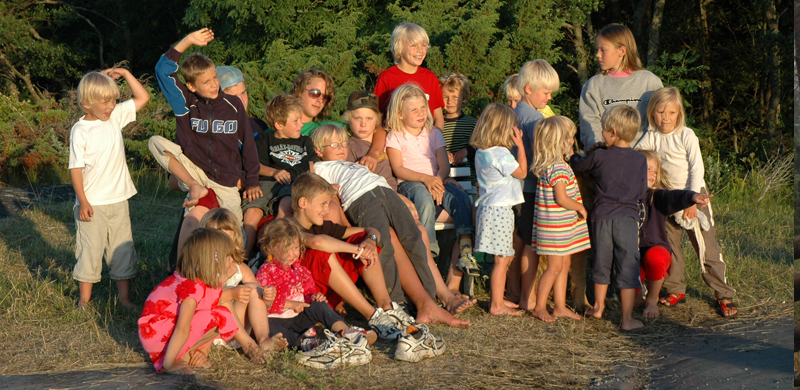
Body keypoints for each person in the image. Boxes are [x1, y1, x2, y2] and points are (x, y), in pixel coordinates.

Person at [311, 125, 476, 316]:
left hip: (386, 192)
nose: (341, 147)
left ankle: (430, 299)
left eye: (343, 143)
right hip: (361, 199)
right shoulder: (319, 169)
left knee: (414, 238)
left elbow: (380, 129)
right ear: (318, 150)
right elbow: (327, 197)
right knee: (384, 246)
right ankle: (397, 301)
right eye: (333, 144)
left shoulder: (353, 163)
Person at [149, 28, 262, 253]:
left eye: (214, 79)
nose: (213, 85)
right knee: (154, 142)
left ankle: (233, 276)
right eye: (206, 82)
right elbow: (162, 70)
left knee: (235, 235)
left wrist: (252, 180)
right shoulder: (185, 102)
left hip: (226, 180)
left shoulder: (233, 105)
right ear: (192, 86)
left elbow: (248, 145)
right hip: (195, 171)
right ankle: (194, 188)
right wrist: (188, 41)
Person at [635, 87, 737, 317]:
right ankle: (675, 288)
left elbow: (696, 168)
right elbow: (636, 157)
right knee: (670, 245)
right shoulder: (650, 136)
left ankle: (723, 293)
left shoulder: (686, 135)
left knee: (704, 246)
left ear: (679, 113)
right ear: (652, 113)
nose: (666, 118)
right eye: (661, 112)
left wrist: (692, 200)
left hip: (693, 197)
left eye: (671, 112)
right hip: (666, 200)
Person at [384, 83, 477, 293]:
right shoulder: (395, 135)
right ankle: (428, 252)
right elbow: (398, 169)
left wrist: (437, 179)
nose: (420, 113)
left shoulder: (434, 133)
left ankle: (465, 247)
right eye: (413, 110)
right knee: (424, 199)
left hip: (438, 180)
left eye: (422, 108)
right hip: (411, 182)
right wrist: (426, 180)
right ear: (399, 114)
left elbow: (444, 165)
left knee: (461, 198)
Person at [69, 68, 150, 308]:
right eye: (104, 101)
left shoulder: (114, 118)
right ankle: (84, 301)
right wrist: (82, 201)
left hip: (119, 200)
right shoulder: (80, 130)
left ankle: (124, 299)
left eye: (114, 99)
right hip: (92, 203)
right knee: (90, 251)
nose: (111, 105)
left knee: (121, 249)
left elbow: (143, 98)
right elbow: (75, 169)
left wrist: (125, 74)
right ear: (86, 103)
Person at [255, 218, 375, 369]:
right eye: (286, 249)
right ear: (270, 249)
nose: (292, 254)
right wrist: (291, 304)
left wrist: (314, 297)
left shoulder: (300, 270)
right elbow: (262, 303)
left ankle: (344, 332)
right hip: (277, 320)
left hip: (299, 317)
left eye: (295, 248)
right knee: (267, 326)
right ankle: (307, 344)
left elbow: (309, 291)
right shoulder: (266, 272)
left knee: (319, 305)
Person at [138, 228, 260, 374]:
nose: (231, 260)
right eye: (228, 256)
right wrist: (169, 365)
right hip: (156, 334)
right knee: (221, 315)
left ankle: (190, 354)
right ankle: (173, 358)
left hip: (165, 329)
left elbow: (214, 306)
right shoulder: (192, 288)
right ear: (216, 261)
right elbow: (182, 328)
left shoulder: (203, 280)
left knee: (223, 314)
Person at [569, 105, 648, 330]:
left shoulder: (600, 156)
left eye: (604, 130)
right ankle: (627, 319)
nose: (601, 134)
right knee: (626, 267)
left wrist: (584, 152)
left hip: (601, 218)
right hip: (627, 220)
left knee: (601, 263)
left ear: (613, 132)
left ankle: (598, 307)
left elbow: (577, 163)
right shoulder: (640, 160)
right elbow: (642, 192)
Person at [635, 150, 713, 318]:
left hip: (654, 248)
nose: (653, 174)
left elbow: (674, 196)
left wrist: (692, 197)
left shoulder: (656, 196)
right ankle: (637, 294)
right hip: (631, 253)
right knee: (633, 290)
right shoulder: (624, 196)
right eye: (648, 168)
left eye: (655, 171)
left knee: (656, 257)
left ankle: (652, 298)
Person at [198, 209, 288, 353]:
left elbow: (260, 303)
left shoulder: (240, 268)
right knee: (225, 298)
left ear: (235, 239)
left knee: (253, 288)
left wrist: (267, 298)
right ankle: (249, 345)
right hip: (211, 329)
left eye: (226, 238)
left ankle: (263, 339)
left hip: (235, 329)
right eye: (216, 237)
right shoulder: (201, 267)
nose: (220, 244)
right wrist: (232, 294)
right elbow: (204, 299)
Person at [529, 116, 591, 322]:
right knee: (555, 267)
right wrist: (580, 207)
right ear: (557, 143)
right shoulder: (559, 168)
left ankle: (560, 305)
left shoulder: (550, 166)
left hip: (560, 227)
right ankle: (539, 306)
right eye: (569, 138)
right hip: (556, 230)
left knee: (564, 265)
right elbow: (562, 198)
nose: (572, 142)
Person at [469, 104, 528, 316]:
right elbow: (521, 173)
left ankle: (497, 298)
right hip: (500, 211)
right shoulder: (500, 153)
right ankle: (496, 305)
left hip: (488, 208)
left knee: (502, 258)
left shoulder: (482, 151)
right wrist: (520, 146)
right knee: (502, 259)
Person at [242, 94, 317, 257]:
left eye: (300, 119)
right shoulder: (265, 139)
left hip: (293, 184)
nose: (301, 124)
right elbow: (254, 165)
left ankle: (273, 252)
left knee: (286, 204)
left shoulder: (305, 142)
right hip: (266, 183)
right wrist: (274, 172)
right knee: (251, 213)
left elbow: (312, 168)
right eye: (296, 121)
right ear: (279, 124)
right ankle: (244, 258)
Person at [513, 59, 560, 311]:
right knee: (530, 245)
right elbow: (541, 158)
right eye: (546, 93)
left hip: (514, 188)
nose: (549, 98)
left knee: (518, 242)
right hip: (530, 189)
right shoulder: (534, 119)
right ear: (529, 89)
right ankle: (527, 298)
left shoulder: (515, 113)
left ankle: (516, 292)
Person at [579, 23, 663, 148]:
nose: (597, 54)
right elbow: (590, 125)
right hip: (609, 160)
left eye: (603, 50)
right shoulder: (593, 86)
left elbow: (662, 121)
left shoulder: (650, 82)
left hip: (646, 160)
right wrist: (599, 151)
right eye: (597, 50)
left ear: (622, 51)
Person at [374, 22, 445, 130]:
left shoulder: (430, 77)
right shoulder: (386, 77)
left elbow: (438, 117)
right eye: (413, 45)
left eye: (423, 45)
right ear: (399, 48)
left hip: (426, 143)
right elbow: (379, 117)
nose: (420, 50)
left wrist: (435, 140)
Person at [343, 91, 397, 190]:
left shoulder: (390, 138)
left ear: (377, 120)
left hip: (395, 191)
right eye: (358, 118)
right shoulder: (348, 147)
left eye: (369, 118)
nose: (363, 124)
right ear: (349, 119)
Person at [290, 69, 342, 136]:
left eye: (325, 97)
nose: (320, 100)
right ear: (300, 91)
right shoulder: (277, 128)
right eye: (315, 93)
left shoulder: (327, 130)